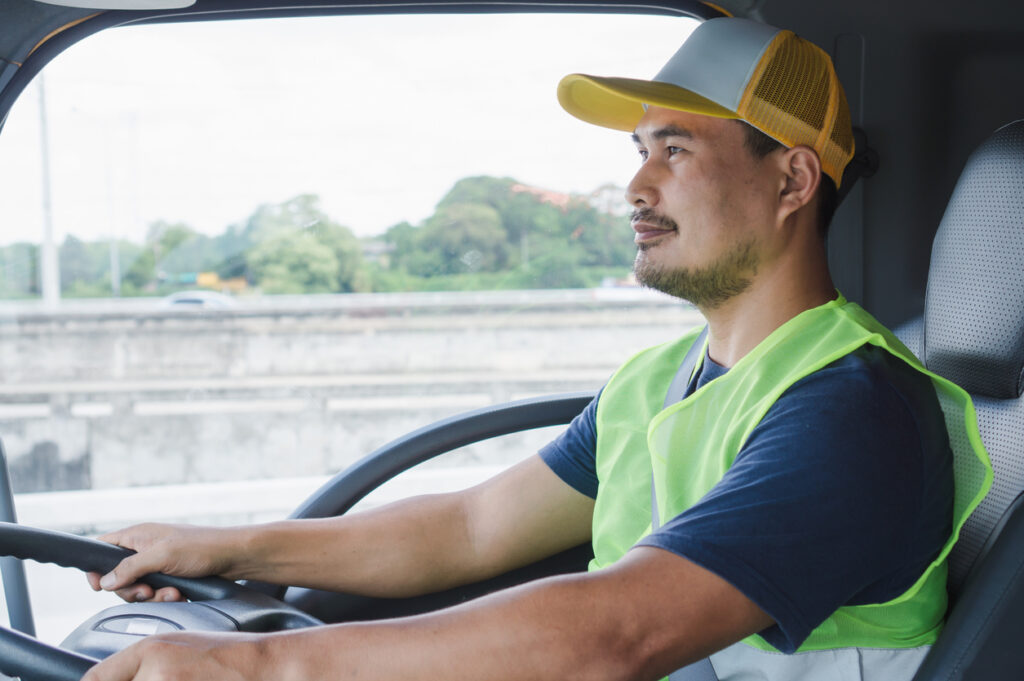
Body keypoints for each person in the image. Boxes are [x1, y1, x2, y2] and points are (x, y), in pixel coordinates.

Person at [82, 17, 990, 681]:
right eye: (639, 149)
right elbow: (469, 527)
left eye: (675, 150)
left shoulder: (852, 410)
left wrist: (256, 665)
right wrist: (221, 546)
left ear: (792, 179)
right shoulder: (660, 381)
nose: (635, 185)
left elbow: (617, 634)